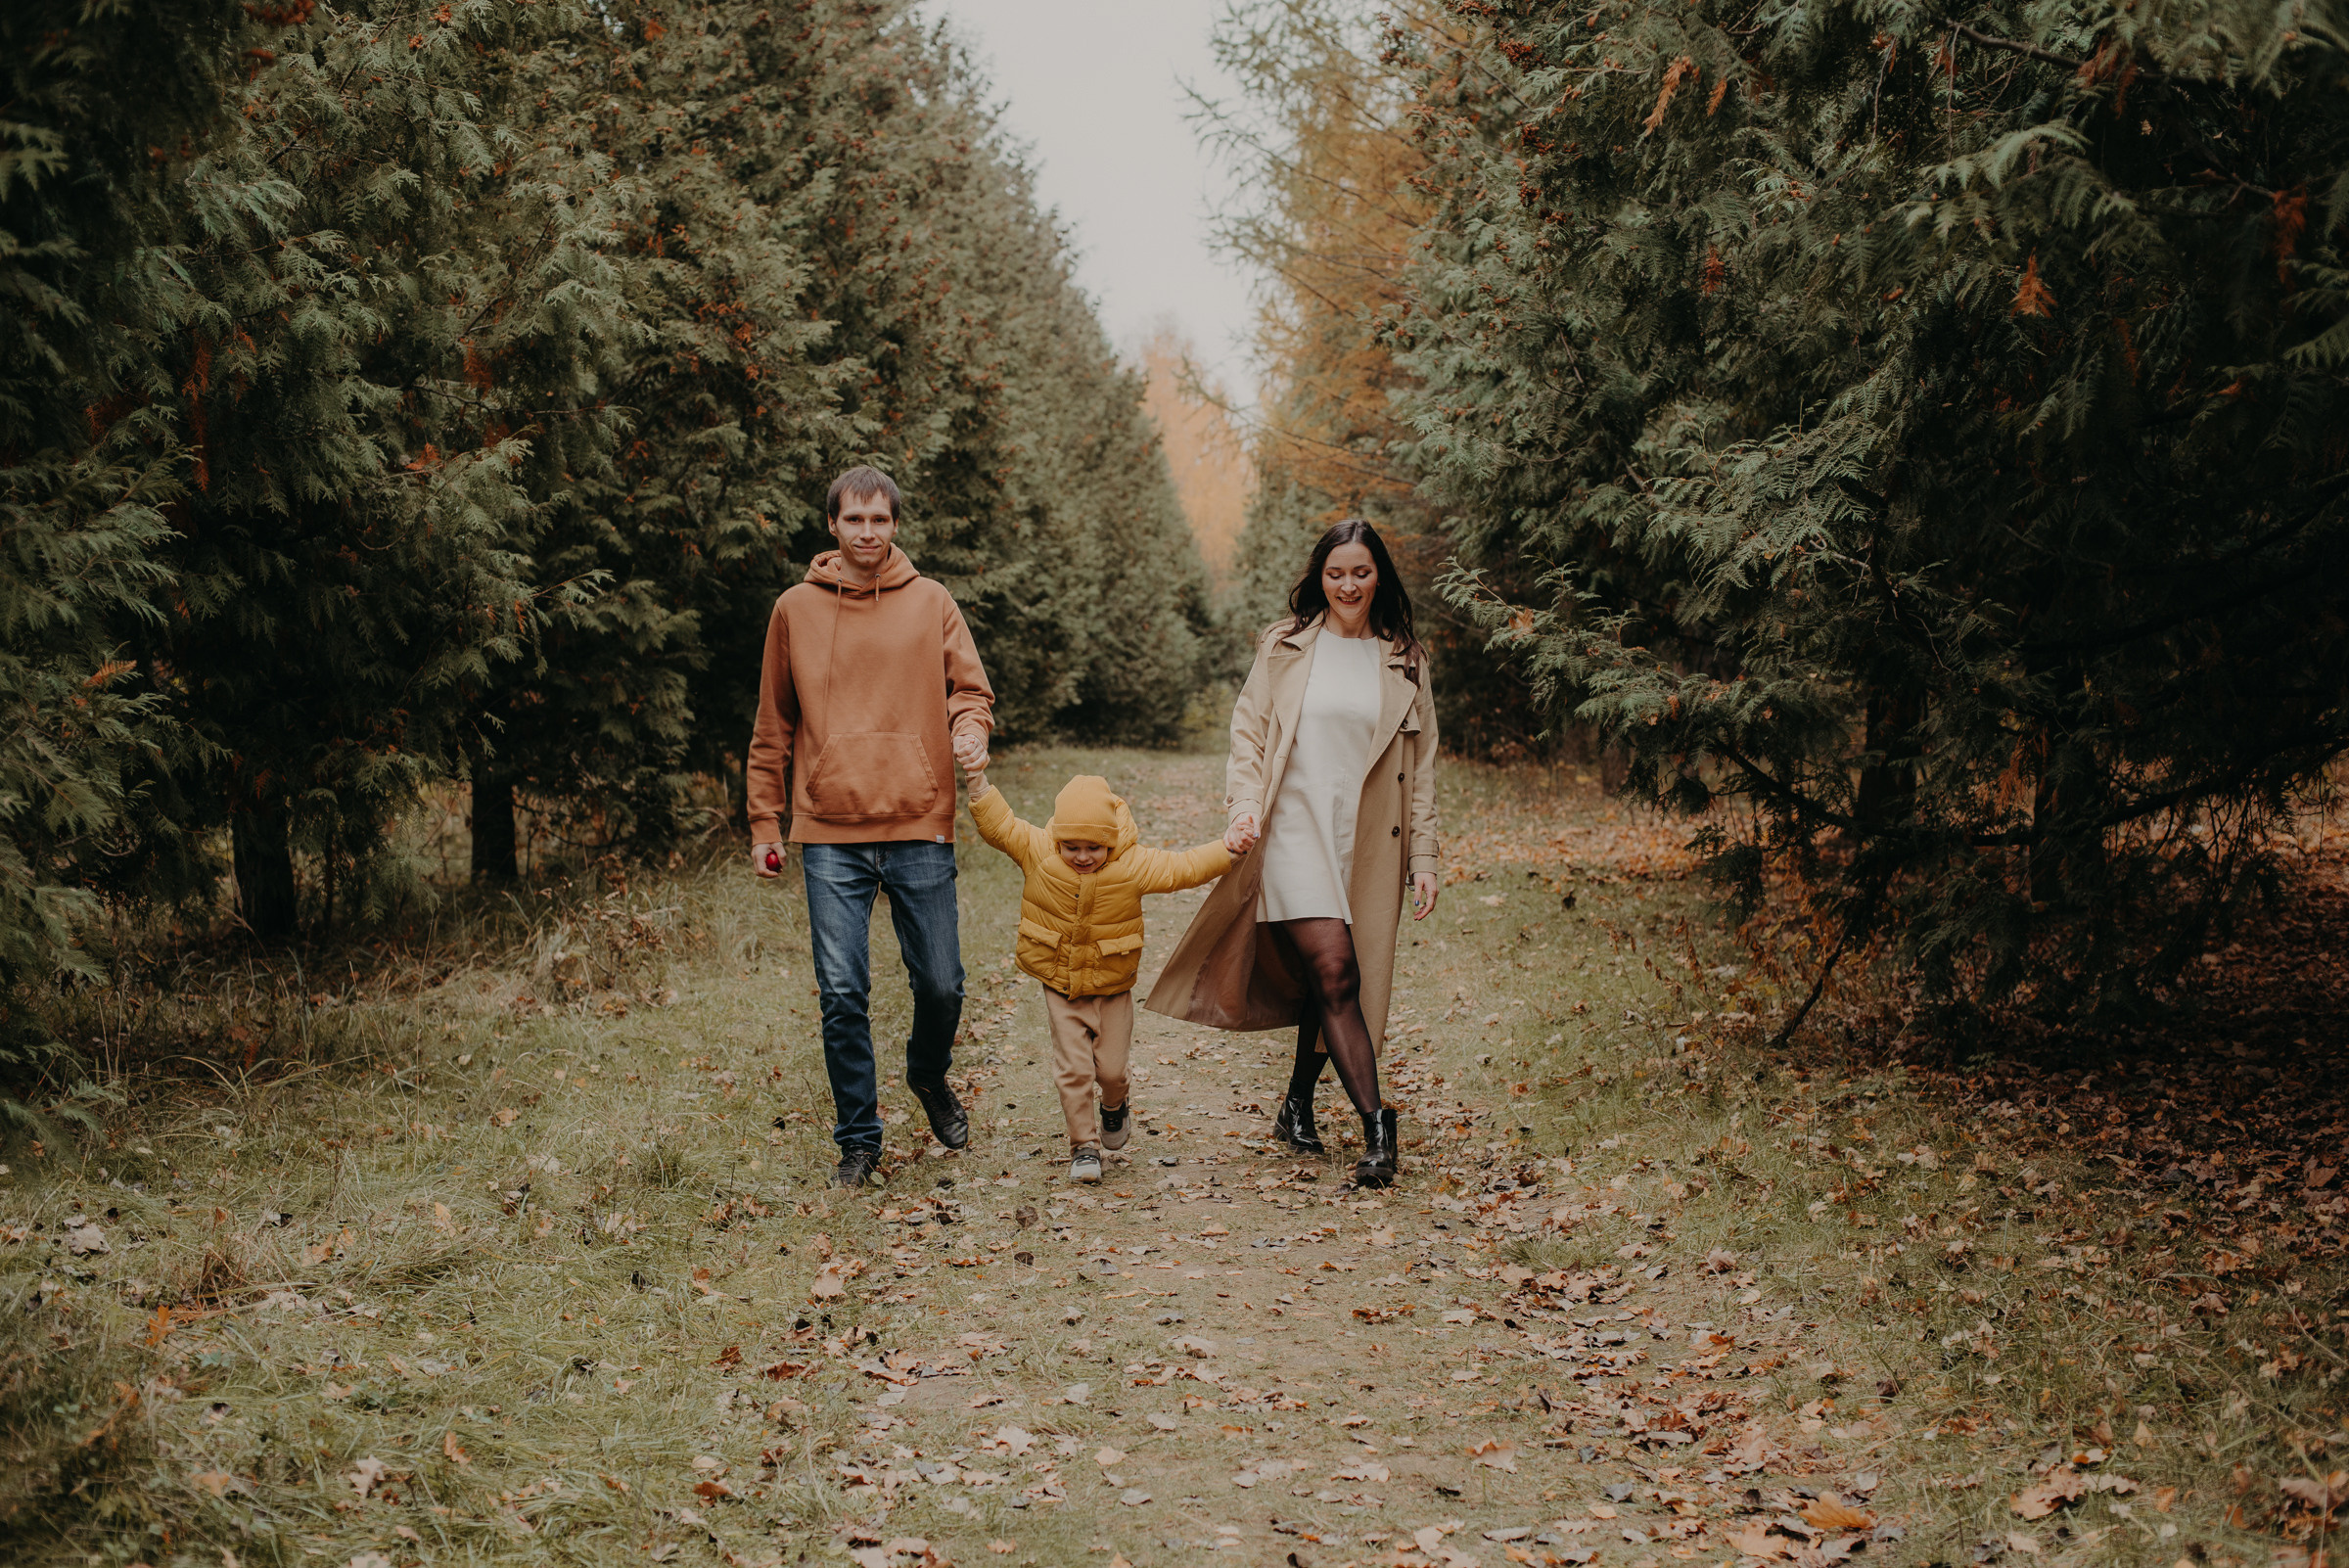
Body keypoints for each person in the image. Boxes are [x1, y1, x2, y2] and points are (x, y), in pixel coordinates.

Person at [1145, 519, 1440, 1187]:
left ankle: (1296, 1104)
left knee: (1324, 977)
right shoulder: (1285, 646)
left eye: (1361, 573)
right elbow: (1247, 732)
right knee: (1337, 972)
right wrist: (1244, 806)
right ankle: (1376, 1125)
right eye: (1336, 573)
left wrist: (1424, 857)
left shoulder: (1405, 659)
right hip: (1294, 829)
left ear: (1380, 578)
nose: (1348, 585)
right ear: (1319, 578)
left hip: (1368, 840)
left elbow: (1422, 770)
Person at [747, 466, 995, 1189]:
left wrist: (971, 728)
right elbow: (773, 725)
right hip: (829, 831)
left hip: (919, 822)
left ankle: (928, 1074)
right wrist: (767, 822)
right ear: (833, 525)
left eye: (879, 521)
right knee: (842, 993)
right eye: (853, 520)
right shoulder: (794, 608)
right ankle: (859, 1140)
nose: (866, 533)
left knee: (942, 984)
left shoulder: (931, 602)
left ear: (895, 525)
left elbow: (970, 690)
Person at [956, 754, 1231, 1183]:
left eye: (1093, 848)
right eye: (1072, 848)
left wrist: (1229, 849)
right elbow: (1000, 824)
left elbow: (1185, 868)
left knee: (1112, 1072)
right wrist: (977, 780)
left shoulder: (1133, 864)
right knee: (1075, 1069)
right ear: (1058, 839)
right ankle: (1083, 1147)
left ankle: (1114, 1105)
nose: (1082, 857)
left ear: (1111, 841)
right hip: (1061, 985)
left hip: (1112, 986)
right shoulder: (1037, 852)